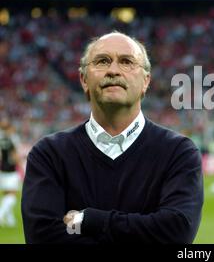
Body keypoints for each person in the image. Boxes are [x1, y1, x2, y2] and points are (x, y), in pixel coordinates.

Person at [21, 31, 204, 244]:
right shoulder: (49, 154)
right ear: (84, 80)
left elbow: (176, 233)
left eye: (126, 62)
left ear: (145, 81)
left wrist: (92, 219)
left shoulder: (179, 152)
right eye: (102, 61)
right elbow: (41, 238)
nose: (113, 70)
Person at [0, 118, 21, 228]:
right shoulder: (12, 139)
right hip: (11, 170)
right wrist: (21, 168)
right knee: (12, 195)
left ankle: (9, 220)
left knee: (6, 194)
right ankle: (1, 214)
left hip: (2, 170)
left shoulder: (1, 138)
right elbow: (15, 155)